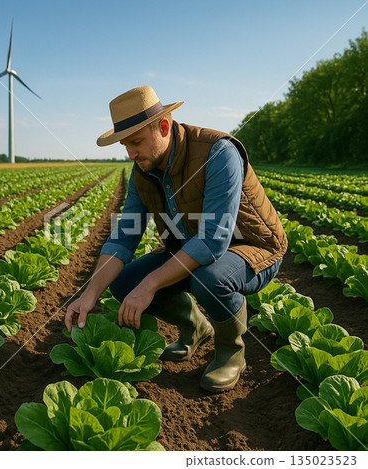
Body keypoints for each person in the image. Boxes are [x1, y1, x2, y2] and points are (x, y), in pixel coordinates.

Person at [65, 85, 287, 392]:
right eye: (125, 146)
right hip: (190, 246)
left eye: (136, 142)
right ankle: (195, 327)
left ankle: (231, 353)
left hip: (252, 247)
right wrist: (89, 294)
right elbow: (123, 238)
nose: (131, 154)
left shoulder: (218, 153)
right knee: (123, 282)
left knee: (209, 278)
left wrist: (151, 285)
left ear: (164, 126)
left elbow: (212, 241)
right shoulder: (143, 169)